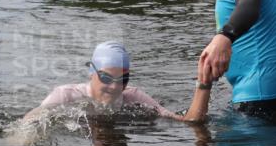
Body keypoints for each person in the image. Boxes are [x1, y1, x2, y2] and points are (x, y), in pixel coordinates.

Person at [24, 42, 184, 122]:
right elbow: (27, 123)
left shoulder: (133, 96)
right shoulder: (65, 95)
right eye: (106, 78)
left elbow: (177, 119)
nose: (115, 87)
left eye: (123, 79)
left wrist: (202, 84)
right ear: (91, 74)